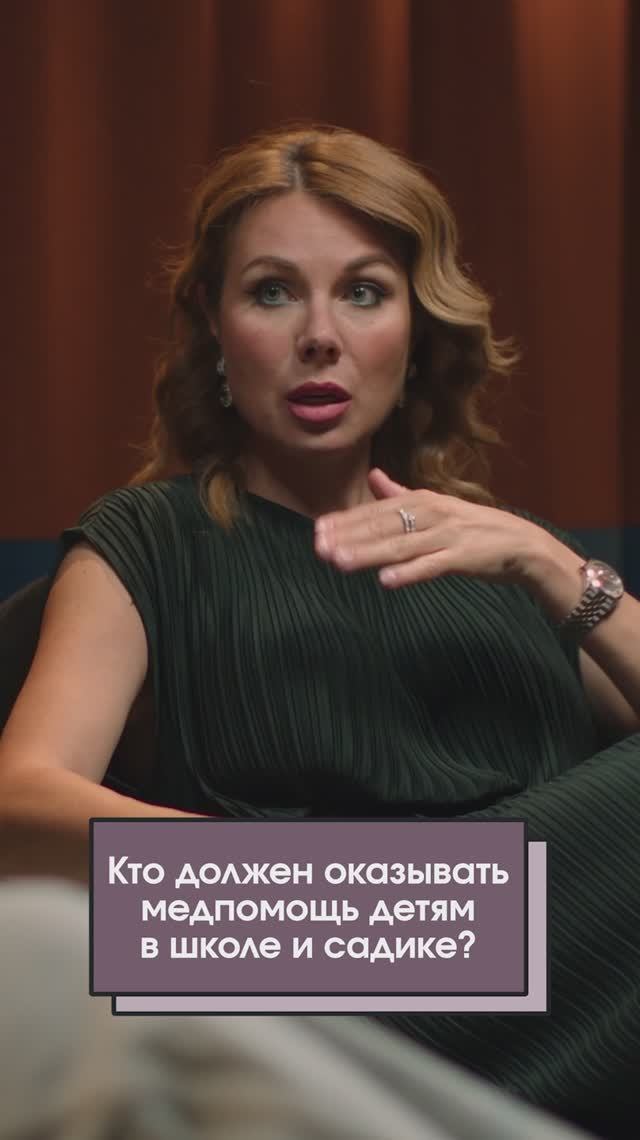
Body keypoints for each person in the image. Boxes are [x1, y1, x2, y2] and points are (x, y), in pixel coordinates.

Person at [0, 125, 638, 1137]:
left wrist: (549, 564)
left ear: (416, 330)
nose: (319, 335)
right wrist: (315, 889)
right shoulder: (153, 539)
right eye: (271, 292)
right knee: (50, 941)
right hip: (294, 962)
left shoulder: (503, 555)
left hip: (545, 992)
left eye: (365, 292)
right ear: (213, 325)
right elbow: (21, 797)